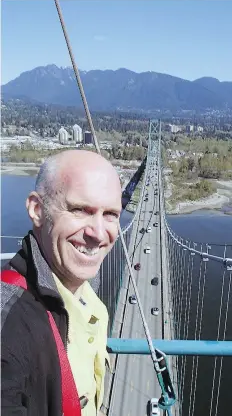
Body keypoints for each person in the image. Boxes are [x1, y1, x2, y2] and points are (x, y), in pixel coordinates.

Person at [1, 150, 122, 415]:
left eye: (111, 214)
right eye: (80, 210)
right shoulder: (9, 323)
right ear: (37, 210)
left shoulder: (85, 287)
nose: (99, 233)